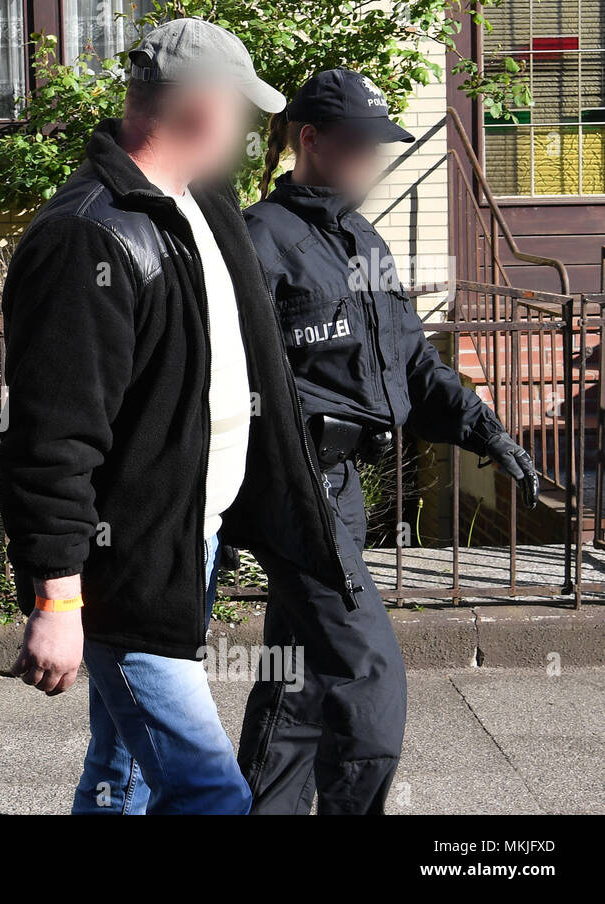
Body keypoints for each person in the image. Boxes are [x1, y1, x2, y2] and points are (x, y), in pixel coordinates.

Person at [0, 19, 361, 815]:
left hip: (189, 536)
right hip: (125, 565)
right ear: (200, 110)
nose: (248, 133)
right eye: (242, 113)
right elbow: (52, 440)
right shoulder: (87, 234)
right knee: (208, 793)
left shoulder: (200, 202)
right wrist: (58, 600)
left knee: (123, 763)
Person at [237, 69, 538, 815]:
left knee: (299, 677)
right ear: (310, 140)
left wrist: (484, 429)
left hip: (342, 487)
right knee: (369, 681)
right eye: (362, 145)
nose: (375, 160)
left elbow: (410, 364)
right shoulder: (258, 241)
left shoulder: (362, 241)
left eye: (381, 147)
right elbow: (224, 380)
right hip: (295, 488)